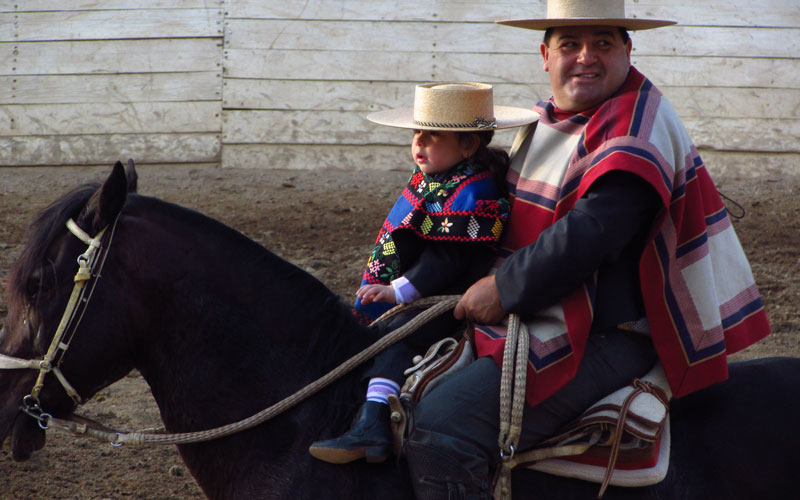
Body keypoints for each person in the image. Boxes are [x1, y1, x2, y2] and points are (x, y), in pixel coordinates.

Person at [402, 1, 772, 498]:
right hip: (548, 311)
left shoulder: (638, 127)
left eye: (602, 43)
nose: (585, 57)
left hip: (610, 332)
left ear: (627, 49)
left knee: (445, 427)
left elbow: (593, 230)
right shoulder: (546, 120)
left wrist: (503, 286)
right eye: (569, 45)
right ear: (545, 55)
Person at [308, 82, 538, 464]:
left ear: (468, 146)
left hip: (451, 298)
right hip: (430, 287)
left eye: (433, 136)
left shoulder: (473, 192)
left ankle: (374, 424)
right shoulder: (444, 181)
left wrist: (399, 291)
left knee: (395, 337)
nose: (420, 144)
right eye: (418, 133)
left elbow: (448, 259)